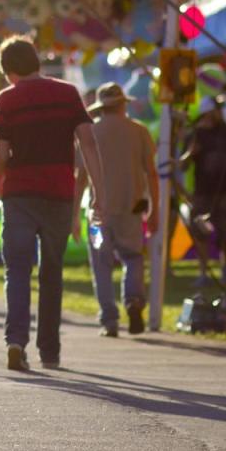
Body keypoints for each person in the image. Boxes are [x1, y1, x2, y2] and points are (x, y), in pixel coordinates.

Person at [0, 37, 105, 372]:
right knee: (52, 272)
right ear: (37, 62)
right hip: (59, 193)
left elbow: (0, 153)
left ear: (9, 72)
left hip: (19, 195)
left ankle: (15, 341)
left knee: (18, 270)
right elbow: (88, 142)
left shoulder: (7, 98)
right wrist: (99, 192)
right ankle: (50, 351)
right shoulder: (68, 93)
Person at [75, 82, 158, 337]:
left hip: (98, 213)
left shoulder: (90, 133)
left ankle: (109, 320)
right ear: (123, 104)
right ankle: (133, 300)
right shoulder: (139, 131)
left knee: (101, 264)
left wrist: (73, 215)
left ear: (100, 108)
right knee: (133, 258)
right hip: (131, 208)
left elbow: (80, 177)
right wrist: (154, 209)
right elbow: (152, 174)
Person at [185, 96, 226, 286]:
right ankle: (203, 273)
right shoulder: (196, 134)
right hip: (202, 192)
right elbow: (182, 166)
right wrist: (190, 153)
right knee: (199, 232)